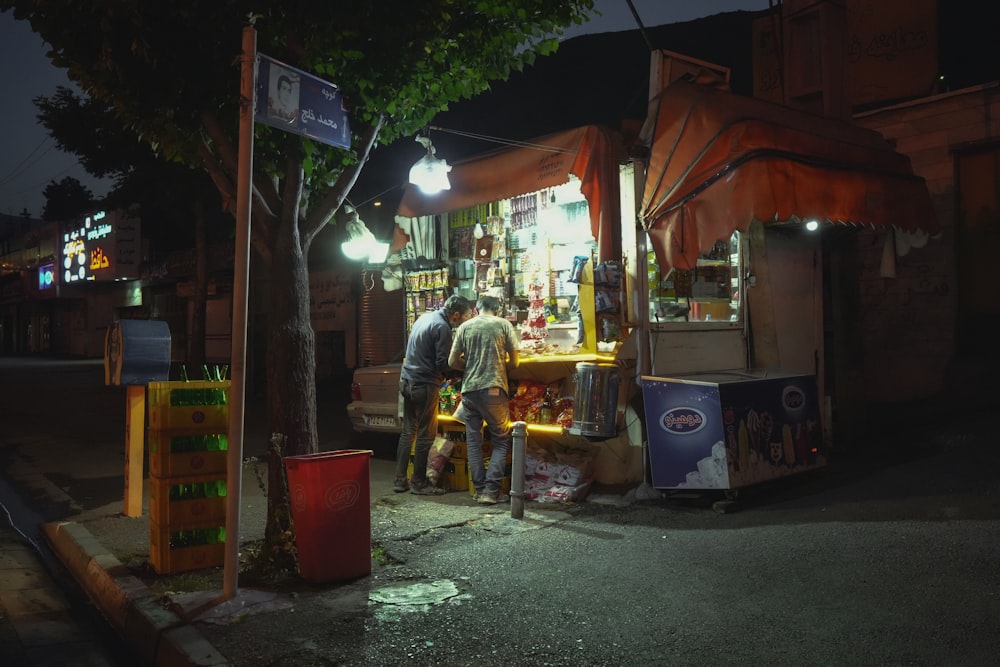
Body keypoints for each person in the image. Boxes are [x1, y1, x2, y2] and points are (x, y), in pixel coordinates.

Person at [395, 294, 472, 495]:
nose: (466, 320)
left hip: (406, 380)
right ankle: (419, 483)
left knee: (407, 432)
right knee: (425, 435)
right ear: (455, 315)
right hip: (424, 384)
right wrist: (467, 365)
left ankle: (399, 480)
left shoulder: (425, 318)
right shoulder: (443, 327)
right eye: (466, 316)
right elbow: (443, 363)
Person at [448, 294, 520, 504]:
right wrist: (498, 369)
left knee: (473, 441)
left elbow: (452, 361)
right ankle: (491, 491)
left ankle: (479, 490)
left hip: (469, 391)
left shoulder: (465, 327)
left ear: (477, 309)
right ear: (497, 309)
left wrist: (469, 368)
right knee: (500, 439)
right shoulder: (503, 325)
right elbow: (515, 362)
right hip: (493, 391)